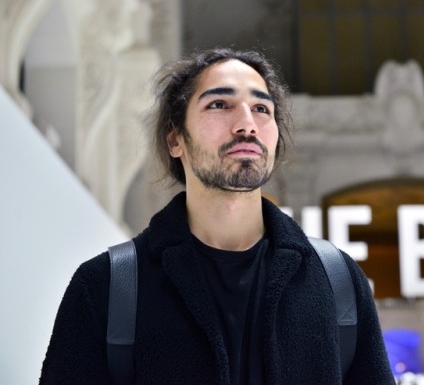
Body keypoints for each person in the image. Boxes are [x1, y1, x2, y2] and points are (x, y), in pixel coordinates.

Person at [40, 47, 394, 384]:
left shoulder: (338, 281)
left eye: (261, 109)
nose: (246, 124)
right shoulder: (105, 286)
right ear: (175, 139)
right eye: (220, 104)